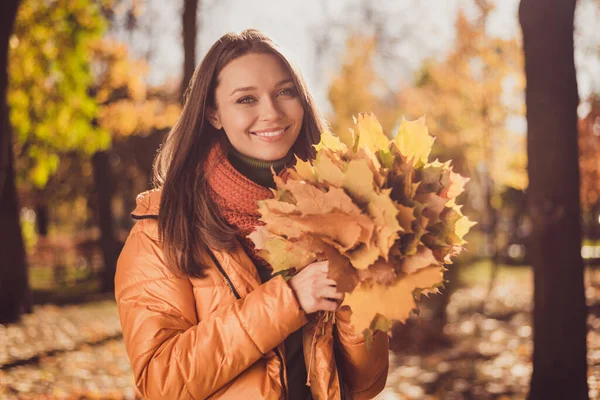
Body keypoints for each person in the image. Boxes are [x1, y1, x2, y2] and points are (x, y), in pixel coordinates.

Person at [114, 29, 389, 400]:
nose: (271, 112)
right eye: (246, 99)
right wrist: (288, 300)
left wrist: (358, 297)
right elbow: (160, 382)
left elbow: (364, 385)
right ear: (213, 113)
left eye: (284, 92)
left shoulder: (339, 208)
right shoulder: (161, 228)